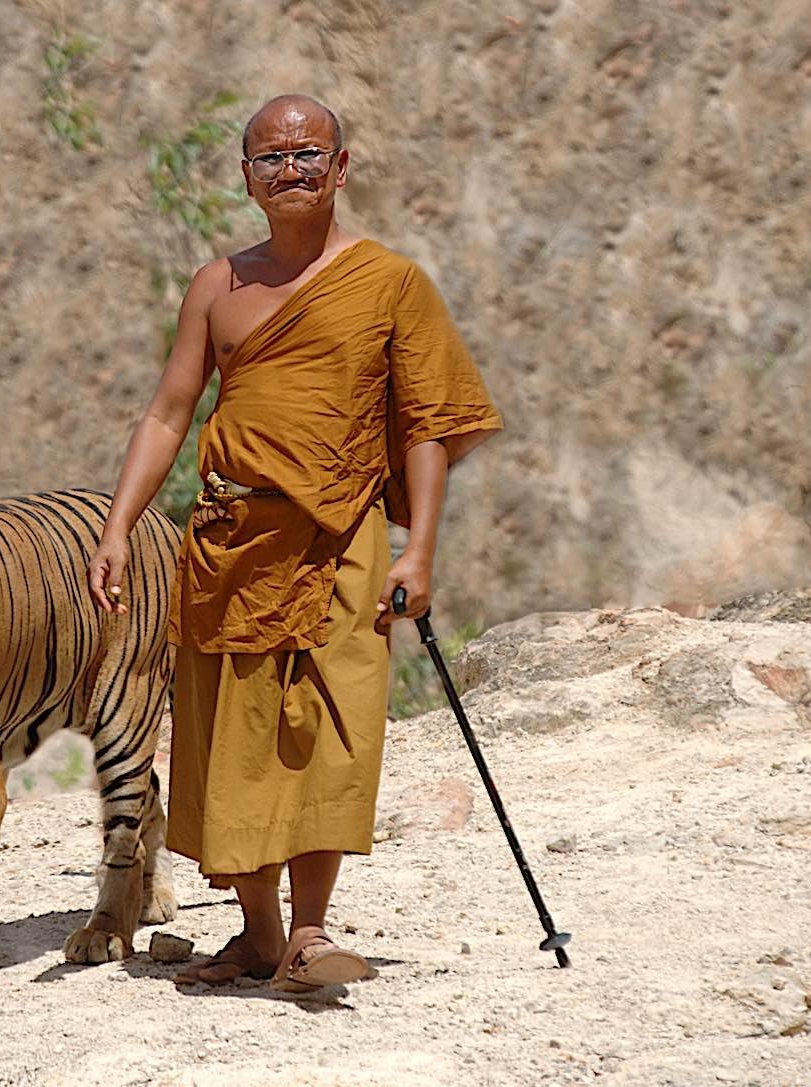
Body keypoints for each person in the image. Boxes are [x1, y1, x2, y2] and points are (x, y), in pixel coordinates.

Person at [87, 94, 503, 991]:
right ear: (246, 179)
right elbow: (168, 413)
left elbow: (427, 424)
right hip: (230, 538)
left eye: (308, 153)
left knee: (335, 729)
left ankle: (312, 931)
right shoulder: (217, 286)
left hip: (343, 539)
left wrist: (418, 550)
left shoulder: (390, 282)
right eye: (271, 158)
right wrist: (118, 527)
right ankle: (260, 933)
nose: (291, 169)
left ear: (341, 168)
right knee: (232, 735)